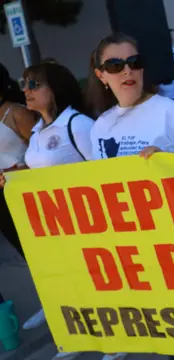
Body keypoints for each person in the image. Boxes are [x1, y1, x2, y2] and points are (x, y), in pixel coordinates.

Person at [87, 32, 174, 360]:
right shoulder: (99, 127)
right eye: (115, 65)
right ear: (101, 75)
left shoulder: (171, 113)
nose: (127, 71)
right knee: (171, 339)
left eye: (133, 62)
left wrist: (169, 162)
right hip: (138, 252)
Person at [0, 62, 95, 360]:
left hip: (82, 216)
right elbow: (39, 165)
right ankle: (76, 334)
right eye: (24, 83)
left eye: (33, 84)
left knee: (88, 277)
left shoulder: (78, 124)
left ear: (55, 88)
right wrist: (18, 173)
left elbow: (101, 170)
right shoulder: (40, 129)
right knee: (65, 275)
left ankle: (112, 339)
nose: (25, 90)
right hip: (50, 218)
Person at [0, 62, 37, 305]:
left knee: (38, 247)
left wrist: (21, 170)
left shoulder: (16, 113)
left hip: (25, 190)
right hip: (3, 197)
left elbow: (40, 150)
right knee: (23, 250)